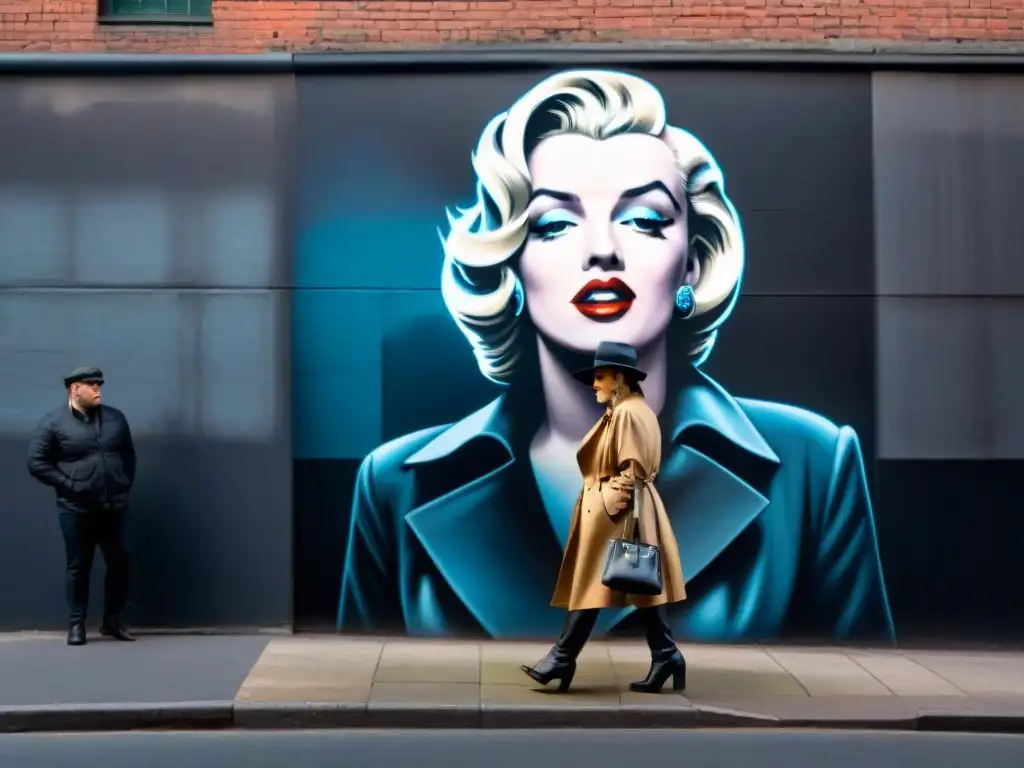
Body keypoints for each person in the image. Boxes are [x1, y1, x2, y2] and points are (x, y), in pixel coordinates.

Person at [337, 69, 895, 644]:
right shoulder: (396, 483)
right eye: (554, 224)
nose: (602, 250)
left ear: (694, 261)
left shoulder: (812, 466)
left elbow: (868, 686)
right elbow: (360, 686)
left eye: (645, 220)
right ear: (511, 264)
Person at [521, 341, 687, 693]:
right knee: (640, 590)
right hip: (626, 513)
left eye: (600, 377)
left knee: (591, 588)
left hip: (621, 514)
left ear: (620, 379)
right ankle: (666, 654)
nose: (594, 384)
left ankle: (562, 658)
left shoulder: (628, 412)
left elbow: (635, 470)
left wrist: (606, 504)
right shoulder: (625, 410)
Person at [27, 367, 137, 646]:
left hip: (115, 507)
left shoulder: (115, 418)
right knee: (78, 567)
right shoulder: (53, 423)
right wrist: (71, 485)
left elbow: (128, 456)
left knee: (121, 563)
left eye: (100, 385)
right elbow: (36, 463)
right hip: (76, 509)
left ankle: (113, 621)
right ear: (75, 389)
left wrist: (122, 484)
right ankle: (77, 624)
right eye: (92, 385)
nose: (98, 389)